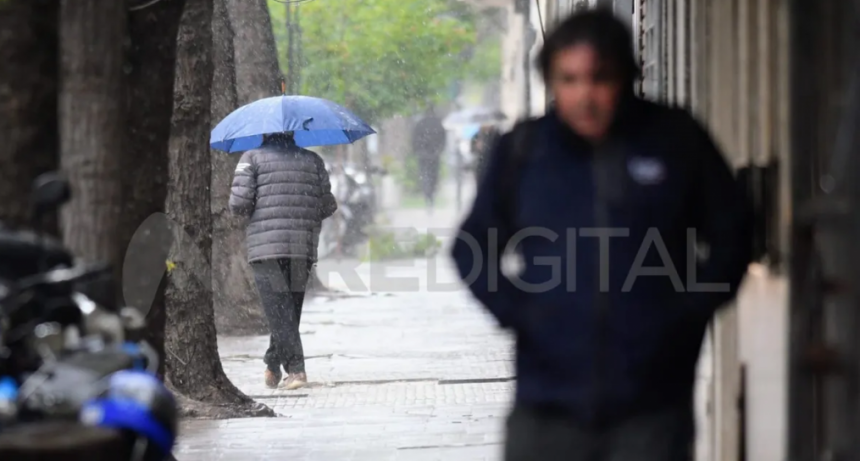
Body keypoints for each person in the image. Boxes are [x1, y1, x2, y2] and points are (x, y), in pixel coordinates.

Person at [450, 9, 752, 461]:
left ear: (627, 76)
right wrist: (521, 314)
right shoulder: (525, 150)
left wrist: (686, 315)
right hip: (547, 407)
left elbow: (734, 233)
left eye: (599, 78)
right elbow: (471, 248)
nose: (584, 96)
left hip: (652, 406)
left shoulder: (674, 140)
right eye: (568, 79)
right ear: (551, 81)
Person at [229, 132, 337, 390]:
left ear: (263, 132)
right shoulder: (313, 160)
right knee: (289, 310)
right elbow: (328, 205)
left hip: (267, 248)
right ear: (292, 132)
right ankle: (272, 362)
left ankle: (297, 371)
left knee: (280, 311)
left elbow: (239, 204)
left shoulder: (250, 158)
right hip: (302, 247)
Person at [411, 109, 446, 211]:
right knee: (433, 175)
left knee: (425, 175)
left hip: (424, 154)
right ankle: (430, 195)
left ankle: (428, 194)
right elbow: (443, 139)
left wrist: (417, 150)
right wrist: (439, 150)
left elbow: (414, 139)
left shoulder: (420, 124)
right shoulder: (438, 124)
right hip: (434, 154)